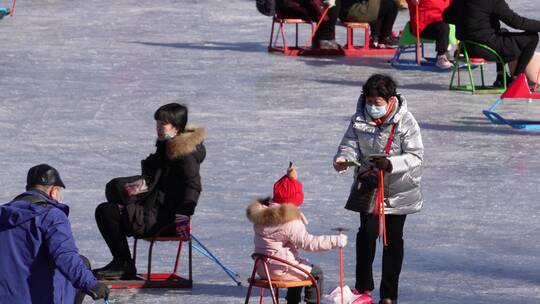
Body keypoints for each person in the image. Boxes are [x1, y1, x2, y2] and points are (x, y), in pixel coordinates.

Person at [333, 74, 423, 304]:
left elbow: (415, 155)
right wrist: (343, 159)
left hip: (399, 188)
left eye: (378, 102)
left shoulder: (406, 121)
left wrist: (392, 163)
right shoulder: (359, 119)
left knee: (393, 240)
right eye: (369, 101)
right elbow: (349, 145)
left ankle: (389, 295)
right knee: (367, 234)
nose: (372, 106)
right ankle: (363, 287)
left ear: (390, 100)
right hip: (370, 186)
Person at [94, 103, 206, 279]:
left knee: (106, 212)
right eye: (158, 123)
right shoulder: (165, 148)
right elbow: (156, 180)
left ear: (176, 128)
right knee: (114, 191)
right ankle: (122, 262)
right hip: (152, 210)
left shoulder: (185, 154)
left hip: (164, 220)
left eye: (163, 124)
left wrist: (184, 215)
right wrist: (135, 186)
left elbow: (194, 185)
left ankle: (124, 263)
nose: (159, 128)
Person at [0, 164, 109, 304]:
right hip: (39, 297)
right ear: (53, 191)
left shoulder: (3, 214)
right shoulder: (51, 215)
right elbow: (65, 256)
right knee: (82, 263)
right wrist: (92, 285)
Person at [246, 166, 347, 304]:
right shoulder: (289, 221)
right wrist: (336, 241)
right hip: (280, 269)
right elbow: (308, 243)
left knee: (297, 267)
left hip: (263, 269)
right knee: (316, 273)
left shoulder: (262, 216)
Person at [443, 0, 540, 86]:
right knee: (532, 37)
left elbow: (446, 16)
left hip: (467, 48)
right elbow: (516, 22)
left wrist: (470, 18)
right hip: (487, 48)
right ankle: (517, 79)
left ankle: (501, 76)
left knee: (503, 31)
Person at [406, 0, 453, 69]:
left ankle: (463, 51)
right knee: (443, 27)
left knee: (454, 23)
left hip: (441, 23)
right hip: (423, 26)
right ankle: (441, 56)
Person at [277, 0, 341, 50]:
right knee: (333, 4)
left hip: (288, 6)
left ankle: (319, 38)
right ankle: (325, 38)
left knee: (326, 4)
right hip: (291, 7)